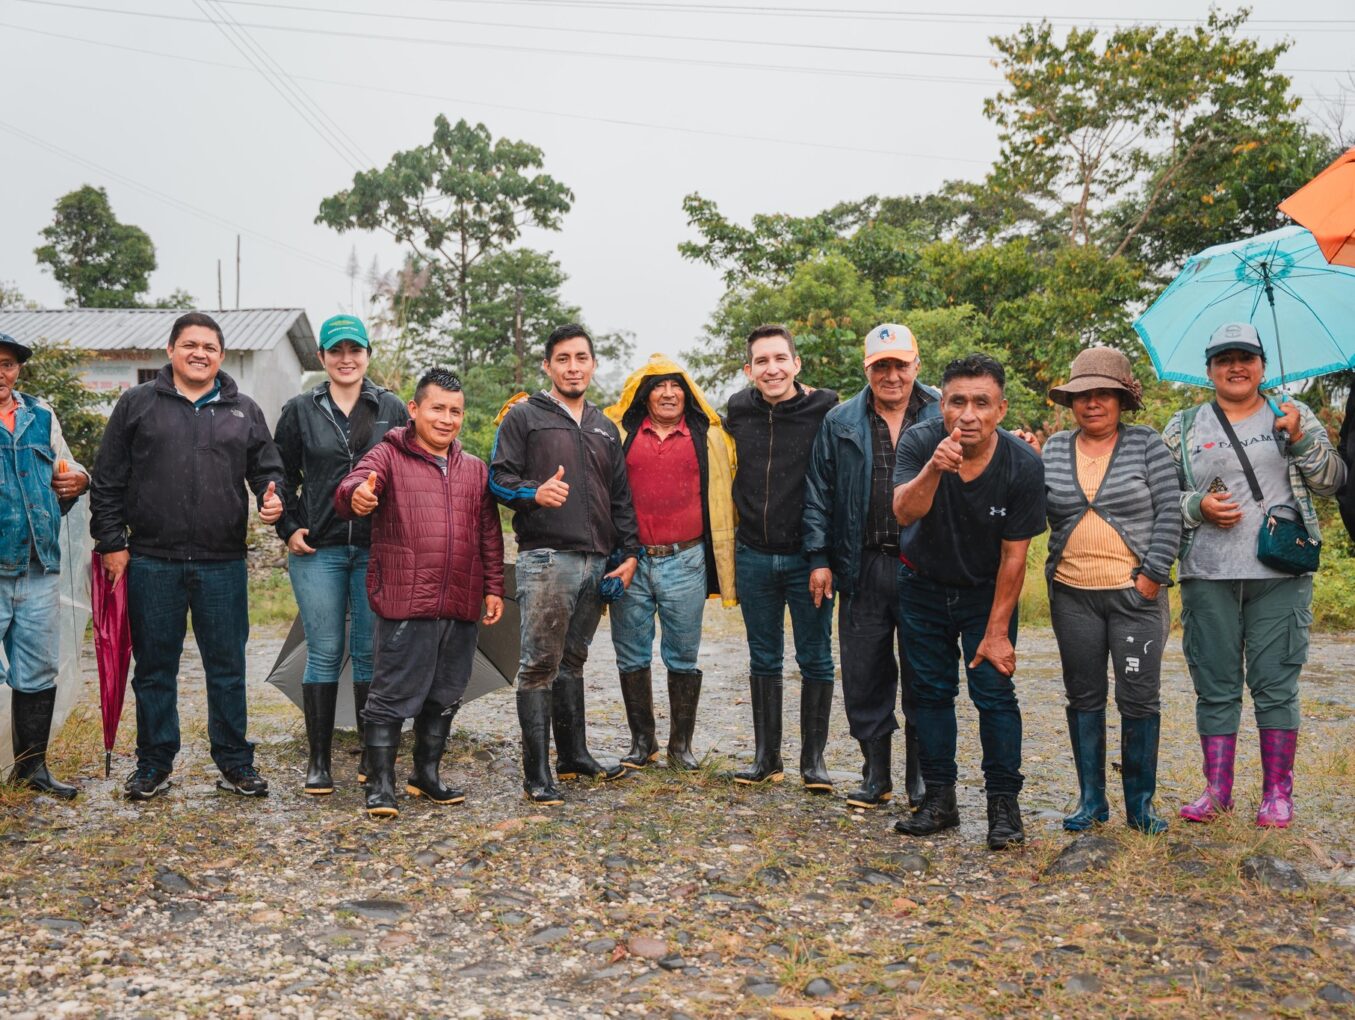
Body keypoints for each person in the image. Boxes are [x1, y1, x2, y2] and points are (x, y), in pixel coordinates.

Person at [90, 312, 284, 801]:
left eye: (210, 347)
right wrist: (112, 543)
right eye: (190, 344)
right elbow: (108, 478)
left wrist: (272, 494)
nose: (200, 353)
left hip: (223, 562)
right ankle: (153, 763)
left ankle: (235, 761)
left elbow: (267, 468)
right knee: (155, 667)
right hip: (152, 559)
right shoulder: (137, 405)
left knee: (227, 666)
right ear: (172, 350)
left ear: (220, 355)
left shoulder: (243, 409)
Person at [1162, 323, 1346, 829]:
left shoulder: (1292, 413)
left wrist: (1302, 438)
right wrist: (1196, 505)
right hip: (1208, 573)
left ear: (1263, 364)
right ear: (1209, 369)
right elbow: (1159, 498)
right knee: (1215, 685)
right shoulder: (1183, 425)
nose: (1236, 367)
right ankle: (1217, 790)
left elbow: (1332, 482)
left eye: (1246, 356)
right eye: (1224, 358)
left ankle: (1276, 795)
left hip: (1280, 572)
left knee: (1276, 684)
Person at [891, 354, 1045, 850]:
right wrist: (935, 470)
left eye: (982, 402)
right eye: (957, 401)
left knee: (994, 693)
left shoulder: (1022, 465)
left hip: (986, 592)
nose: (968, 414)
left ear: (1001, 409)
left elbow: (1015, 558)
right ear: (943, 406)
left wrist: (998, 632)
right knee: (930, 695)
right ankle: (940, 800)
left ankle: (1004, 805)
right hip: (922, 585)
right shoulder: (919, 442)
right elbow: (903, 512)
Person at [335, 368, 505, 818]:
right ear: (414, 410)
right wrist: (357, 496)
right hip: (407, 600)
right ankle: (380, 783)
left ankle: (425, 775)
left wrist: (493, 588)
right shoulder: (388, 456)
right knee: (391, 695)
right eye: (437, 409)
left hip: (460, 600)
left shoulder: (475, 469)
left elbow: (489, 533)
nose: (447, 419)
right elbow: (352, 485)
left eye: (455, 411)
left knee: (447, 692)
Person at [490, 324, 642, 805]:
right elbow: (497, 480)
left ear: (593, 363)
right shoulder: (523, 417)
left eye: (581, 358)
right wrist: (532, 494)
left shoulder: (604, 425)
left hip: (598, 561)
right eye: (563, 359)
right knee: (539, 665)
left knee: (573, 662)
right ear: (547, 366)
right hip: (547, 559)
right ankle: (536, 775)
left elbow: (620, 497)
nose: (573, 366)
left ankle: (573, 755)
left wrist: (628, 554)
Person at [1042, 348, 1182, 834]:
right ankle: (1092, 800)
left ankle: (1140, 806)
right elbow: (1035, 507)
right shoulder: (1055, 448)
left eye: (1103, 393)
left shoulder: (1146, 445)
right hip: (1072, 594)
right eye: (1082, 395)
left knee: (1139, 698)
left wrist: (1152, 575)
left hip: (1134, 596)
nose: (1092, 403)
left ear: (1122, 399)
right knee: (1083, 696)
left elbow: (1170, 511)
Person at [803, 323, 940, 810]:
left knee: (924, 673)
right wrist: (819, 558)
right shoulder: (841, 420)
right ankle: (874, 773)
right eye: (881, 366)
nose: (891, 375)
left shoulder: (944, 411)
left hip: (927, 566)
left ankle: (920, 778)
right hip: (862, 564)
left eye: (900, 365)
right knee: (865, 674)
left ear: (915, 365)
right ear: (867, 369)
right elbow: (818, 494)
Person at [274, 314, 409, 795]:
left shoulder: (392, 407)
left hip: (378, 548)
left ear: (368, 354)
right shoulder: (299, 410)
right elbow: (278, 474)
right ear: (323, 358)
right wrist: (288, 526)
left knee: (373, 655)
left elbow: (411, 471)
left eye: (355, 350)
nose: (346, 359)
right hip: (319, 549)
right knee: (326, 651)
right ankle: (318, 761)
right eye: (337, 351)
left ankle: (373, 761)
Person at [601, 354, 737, 771]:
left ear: (687, 392)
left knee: (682, 655)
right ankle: (644, 744)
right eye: (657, 385)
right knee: (631, 654)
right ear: (644, 393)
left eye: (675, 385)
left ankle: (681, 746)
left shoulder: (708, 436)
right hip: (631, 562)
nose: (667, 392)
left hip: (687, 559)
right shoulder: (619, 432)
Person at [723, 325, 839, 790]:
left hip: (808, 558)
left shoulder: (825, 408)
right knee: (763, 658)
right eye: (761, 361)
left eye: (780, 359)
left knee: (816, 658)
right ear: (749, 370)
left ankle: (814, 761)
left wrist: (823, 555)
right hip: (752, 554)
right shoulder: (737, 409)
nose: (772, 368)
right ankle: (766, 758)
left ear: (796, 364)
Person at [0, 332, 88, 799]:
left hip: (37, 564)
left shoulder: (41, 415)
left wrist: (79, 478)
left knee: (36, 670)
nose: (1, 372)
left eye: (9, 364)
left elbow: (69, 469)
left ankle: (30, 768)